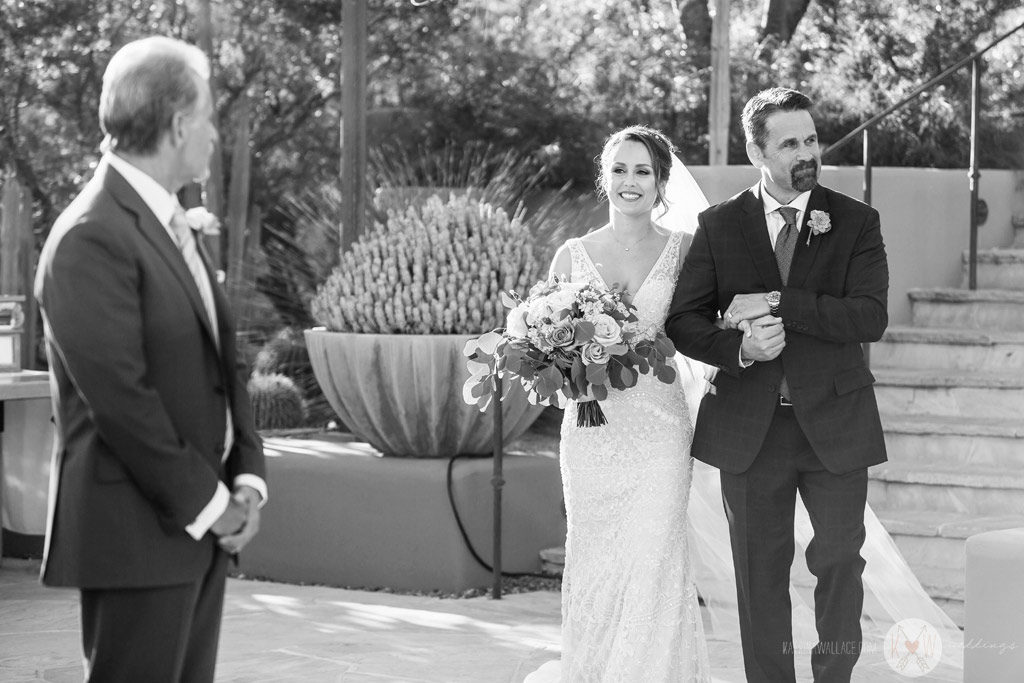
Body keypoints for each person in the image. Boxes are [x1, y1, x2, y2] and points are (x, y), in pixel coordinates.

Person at [34, 36, 267, 683]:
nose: (216, 133)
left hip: (200, 529)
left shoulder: (170, 221)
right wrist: (210, 505)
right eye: (211, 115)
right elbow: (123, 403)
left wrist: (247, 474)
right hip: (137, 534)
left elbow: (224, 359)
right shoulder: (90, 235)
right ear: (178, 124)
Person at [666, 87, 889, 682]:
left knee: (841, 559)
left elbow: (870, 317)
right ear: (756, 150)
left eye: (811, 139)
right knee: (759, 575)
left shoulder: (855, 221)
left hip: (836, 426)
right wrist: (738, 348)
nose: (806, 152)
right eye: (789, 143)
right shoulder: (719, 225)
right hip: (750, 431)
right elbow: (683, 321)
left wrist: (778, 303)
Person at [527, 124, 712, 681]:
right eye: (619, 170)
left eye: (643, 171)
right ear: (604, 180)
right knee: (596, 561)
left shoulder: (684, 250)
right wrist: (570, 364)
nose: (630, 182)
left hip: (660, 430)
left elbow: (703, 329)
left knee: (654, 560)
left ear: (661, 183)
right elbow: (543, 349)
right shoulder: (572, 254)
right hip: (591, 431)